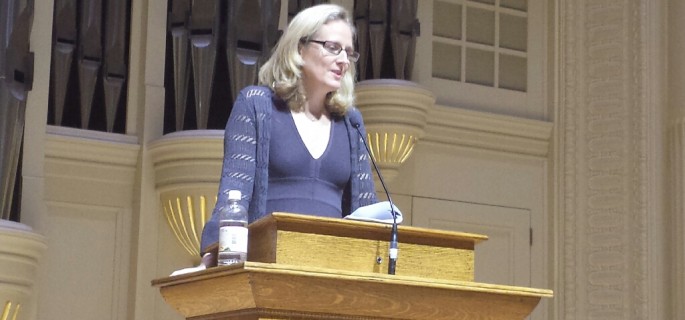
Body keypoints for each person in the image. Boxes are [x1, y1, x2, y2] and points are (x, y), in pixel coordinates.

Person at [199, 4, 379, 256]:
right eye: (333, 48)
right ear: (299, 48)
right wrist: (211, 257)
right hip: (268, 262)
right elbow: (233, 195)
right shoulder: (256, 105)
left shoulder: (351, 123)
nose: (343, 61)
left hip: (331, 268)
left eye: (348, 53)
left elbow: (368, 211)